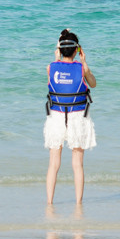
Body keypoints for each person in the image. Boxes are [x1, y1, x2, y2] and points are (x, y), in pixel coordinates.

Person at [44, 29, 97, 206]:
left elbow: (56, 74)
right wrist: (85, 62)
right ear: (77, 50)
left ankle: (50, 203)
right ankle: (78, 204)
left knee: (53, 163)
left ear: (59, 49)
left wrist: (57, 54)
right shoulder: (82, 69)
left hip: (57, 116)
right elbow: (93, 84)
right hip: (77, 117)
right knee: (77, 164)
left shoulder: (51, 67)